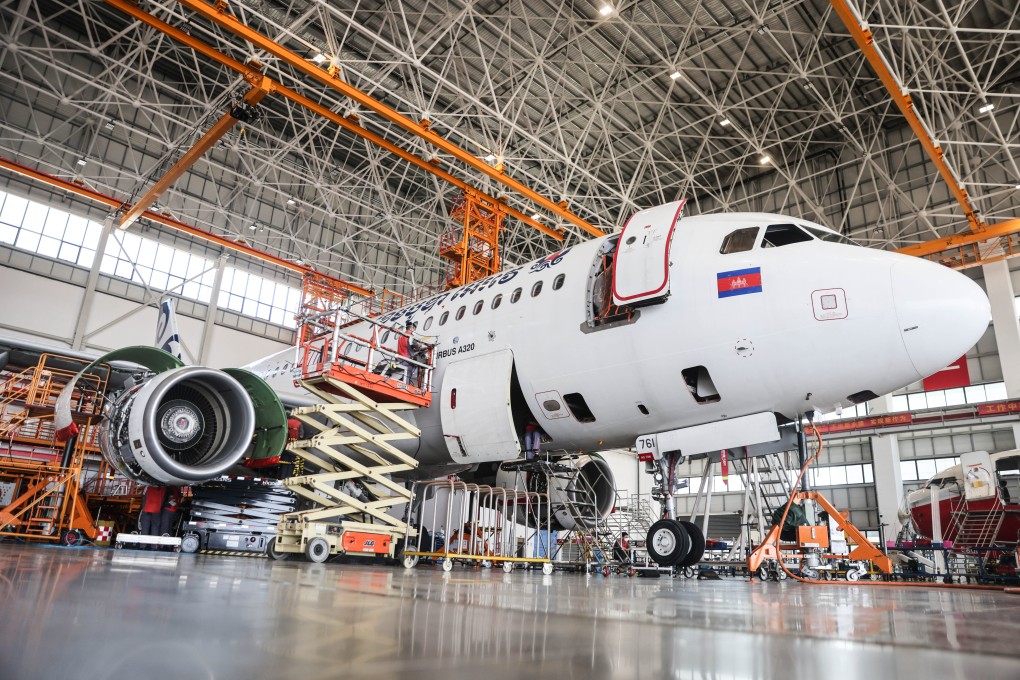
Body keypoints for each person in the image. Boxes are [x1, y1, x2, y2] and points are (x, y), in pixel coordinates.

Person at [397, 321, 419, 385]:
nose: (414, 331)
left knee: (403, 374)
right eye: (414, 329)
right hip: (406, 358)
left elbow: (406, 345)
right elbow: (415, 345)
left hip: (400, 358)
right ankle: (405, 386)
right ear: (411, 328)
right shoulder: (410, 335)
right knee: (407, 374)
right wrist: (419, 345)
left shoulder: (401, 335)